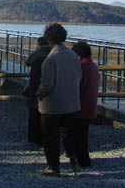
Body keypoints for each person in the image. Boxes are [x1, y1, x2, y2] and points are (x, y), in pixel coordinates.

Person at [37, 23, 81, 177]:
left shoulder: (51, 59)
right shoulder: (73, 55)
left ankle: (53, 167)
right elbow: (79, 77)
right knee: (69, 134)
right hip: (72, 102)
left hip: (53, 105)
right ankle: (74, 163)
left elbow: (47, 84)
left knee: (50, 136)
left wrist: (38, 94)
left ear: (49, 38)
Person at [71, 41, 99, 168]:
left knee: (78, 135)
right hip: (90, 104)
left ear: (79, 54)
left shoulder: (81, 66)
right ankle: (83, 160)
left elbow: (76, 84)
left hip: (80, 105)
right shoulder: (93, 65)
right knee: (83, 135)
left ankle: (82, 161)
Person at [23, 36, 51, 145]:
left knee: (34, 112)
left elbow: (28, 62)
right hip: (49, 86)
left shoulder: (38, 54)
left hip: (35, 84)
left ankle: (34, 137)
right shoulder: (52, 53)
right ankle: (45, 137)